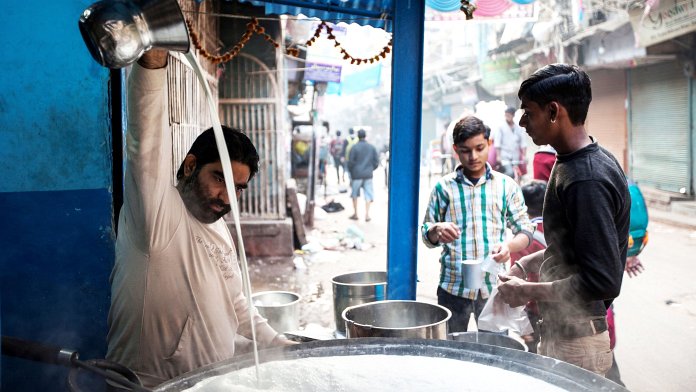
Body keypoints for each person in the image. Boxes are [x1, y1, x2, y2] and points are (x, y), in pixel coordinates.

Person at [106, 50, 291, 388]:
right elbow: (145, 142)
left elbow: (235, 303)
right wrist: (152, 63)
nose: (226, 198)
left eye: (237, 188)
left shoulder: (218, 228)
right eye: (219, 179)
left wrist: (281, 347)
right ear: (190, 166)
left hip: (205, 384)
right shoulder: (157, 215)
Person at [497, 64, 631, 377]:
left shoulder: (586, 179)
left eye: (528, 112)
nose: (522, 121)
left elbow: (602, 280)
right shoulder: (574, 160)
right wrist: (528, 262)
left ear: (554, 112)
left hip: (578, 342)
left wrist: (528, 291)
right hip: (565, 333)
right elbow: (576, 246)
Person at [420, 115, 534, 332]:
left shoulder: (506, 186)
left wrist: (508, 247)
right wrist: (437, 230)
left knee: (492, 353)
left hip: (492, 288)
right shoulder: (443, 188)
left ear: (489, 144)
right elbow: (427, 234)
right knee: (452, 350)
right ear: (455, 149)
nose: (473, 156)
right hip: (452, 288)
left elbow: (525, 229)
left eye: (479, 148)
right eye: (465, 150)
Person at [509, 180, 547, 353]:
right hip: (564, 310)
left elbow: (516, 284)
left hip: (537, 314)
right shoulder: (561, 229)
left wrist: (523, 326)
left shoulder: (524, 238)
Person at [347, 128, 380, 222]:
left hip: (356, 175)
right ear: (365, 136)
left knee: (354, 194)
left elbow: (350, 162)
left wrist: (352, 172)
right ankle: (367, 215)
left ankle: (356, 214)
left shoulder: (354, 147)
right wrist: (370, 169)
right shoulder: (371, 147)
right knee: (368, 195)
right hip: (368, 175)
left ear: (358, 136)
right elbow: (376, 162)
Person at [493, 106, 527, 180]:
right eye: (506, 115)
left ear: (513, 115)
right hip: (504, 156)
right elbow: (497, 142)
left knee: (517, 174)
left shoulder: (518, 128)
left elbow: (523, 143)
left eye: (509, 115)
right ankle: (499, 181)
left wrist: (524, 155)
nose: (507, 117)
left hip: (515, 156)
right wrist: (498, 156)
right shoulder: (501, 127)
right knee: (510, 172)